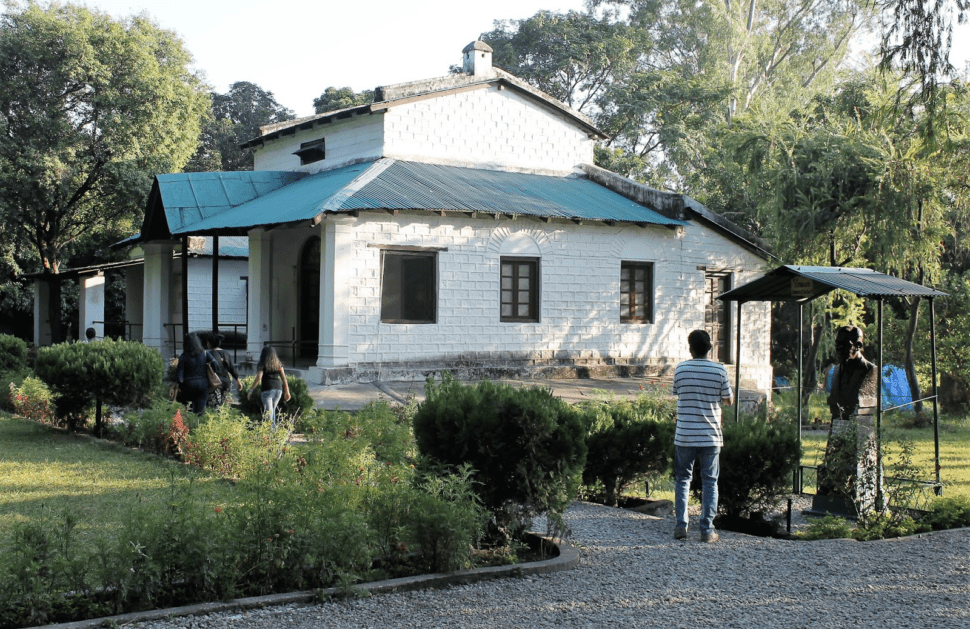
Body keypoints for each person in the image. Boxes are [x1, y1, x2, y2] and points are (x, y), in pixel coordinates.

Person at [672, 329, 734, 543]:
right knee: (710, 481)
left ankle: (681, 525)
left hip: (685, 435)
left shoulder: (681, 369)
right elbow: (729, 400)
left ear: (690, 348)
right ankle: (707, 529)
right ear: (710, 347)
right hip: (710, 436)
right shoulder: (719, 371)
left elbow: (678, 392)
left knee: (682, 480)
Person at [827, 325, 877, 421]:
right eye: (837, 345)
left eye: (843, 345)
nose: (838, 349)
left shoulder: (870, 370)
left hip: (858, 425)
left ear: (858, 345)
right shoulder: (837, 369)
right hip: (838, 425)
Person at [246, 345, 290, 427]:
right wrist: (287, 392)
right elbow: (284, 379)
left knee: (269, 413)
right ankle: (273, 432)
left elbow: (259, 378)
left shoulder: (262, 364)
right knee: (272, 411)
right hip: (278, 390)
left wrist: (251, 390)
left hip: (267, 390)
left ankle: (270, 434)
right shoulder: (278, 365)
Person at [176, 332, 219, 415]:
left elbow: (179, 375)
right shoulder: (204, 353)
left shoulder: (183, 356)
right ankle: (199, 425)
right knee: (200, 410)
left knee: (188, 409)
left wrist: (179, 387)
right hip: (203, 385)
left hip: (188, 385)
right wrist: (213, 372)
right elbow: (215, 363)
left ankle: (189, 425)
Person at [206, 334, 242, 407]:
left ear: (210, 343)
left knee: (213, 405)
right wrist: (238, 381)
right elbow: (231, 368)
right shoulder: (226, 353)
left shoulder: (208, 354)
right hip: (226, 383)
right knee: (222, 404)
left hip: (215, 383)